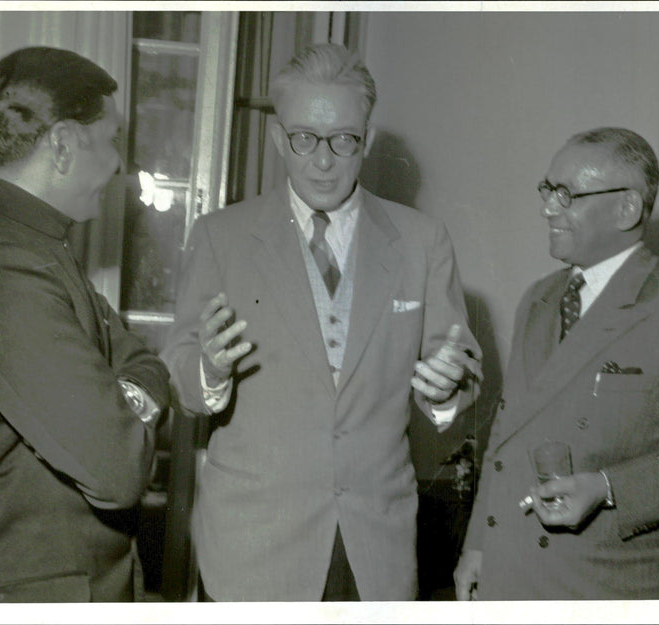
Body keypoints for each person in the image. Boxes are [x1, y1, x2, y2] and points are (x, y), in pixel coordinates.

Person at [162, 43, 482, 601]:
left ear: (368, 140)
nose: (324, 161)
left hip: (374, 550)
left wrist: (446, 389)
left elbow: (462, 368)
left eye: (343, 140)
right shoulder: (220, 236)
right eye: (304, 138)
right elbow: (182, 374)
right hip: (250, 550)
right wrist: (210, 370)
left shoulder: (422, 241)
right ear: (277, 139)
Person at [454, 127, 659, 600]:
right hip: (512, 573)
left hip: (611, 585)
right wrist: (480, 546)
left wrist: (609, 487)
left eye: (566, 194)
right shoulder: (539, 299)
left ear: (627, 208)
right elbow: (506, 435)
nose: (548, 208)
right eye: (547, 190)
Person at [0, 46, 171, 602]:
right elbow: (118, 468)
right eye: (111, 140)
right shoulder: (6, 268)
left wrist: (122, 400)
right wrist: (130, 406)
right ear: (62, 144)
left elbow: (144, 360)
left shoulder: (34, 247)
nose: (118, 164)